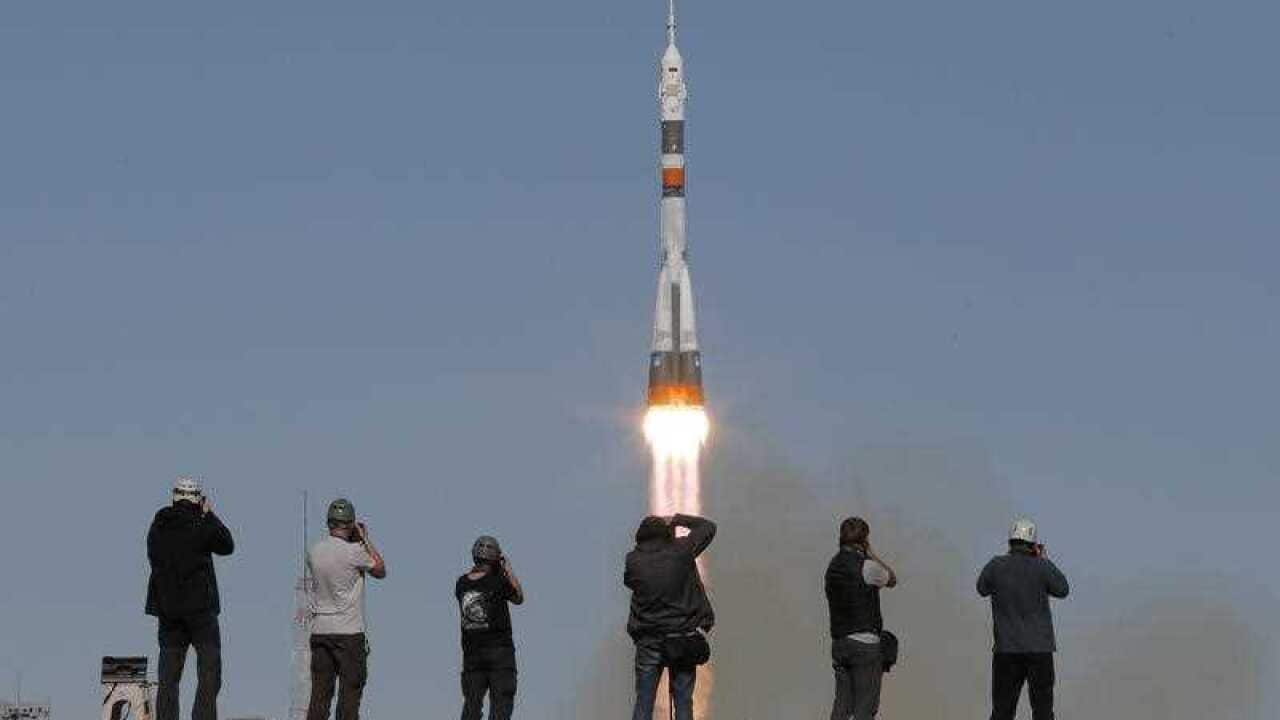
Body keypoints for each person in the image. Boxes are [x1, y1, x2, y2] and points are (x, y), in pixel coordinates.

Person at [146, 476, 236, 720]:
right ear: (198, 498)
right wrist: (210, 515)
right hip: (200, 612)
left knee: (168, 678)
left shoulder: (159, 524)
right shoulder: (201, 524)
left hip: (168, 610)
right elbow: (227, 545)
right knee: (209, 671)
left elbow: (154, 557)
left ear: (174, 496)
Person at [624, 514, 716, 720]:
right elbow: (708, 527)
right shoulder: (682, 552)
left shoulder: (633, 560)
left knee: (644, 701)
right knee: (683, 700)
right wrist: (678, 520)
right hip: (682, 636)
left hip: (648, 640)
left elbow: (630, 581)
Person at [977, 517, 1070, 720]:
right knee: (1043, 712)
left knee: (1002, 711)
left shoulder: (995, 565)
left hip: (1006, 651)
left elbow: (981, 588)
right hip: (1040, 651)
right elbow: (1063, 589)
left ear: (1010, 542)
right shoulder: (1041, 567)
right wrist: (1044, 559)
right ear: (1034, 545)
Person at [306, 498, 387, 720]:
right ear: (350, 524)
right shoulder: (354, 552)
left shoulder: (314, 551)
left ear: (329, 523)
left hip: (320, 630)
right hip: (349, 633)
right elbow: (380, 569)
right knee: (349, 697)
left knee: (319, 697)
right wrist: (365, 539)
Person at [824, 516, 898, 720]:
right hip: (865, 646)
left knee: (841, 707)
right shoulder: (867, 566)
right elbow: (892, 579)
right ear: (864, 540)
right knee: (865, 709)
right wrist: (872, 554)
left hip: (839, 644)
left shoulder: (832, 567)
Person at [456, 535, 525, 720]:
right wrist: (507, 569)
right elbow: (519, 597)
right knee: (501, 705)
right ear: (495, 559)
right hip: (499, 653)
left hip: (471, 655)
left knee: (471, 704)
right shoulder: (499, 580)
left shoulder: (461, 583)